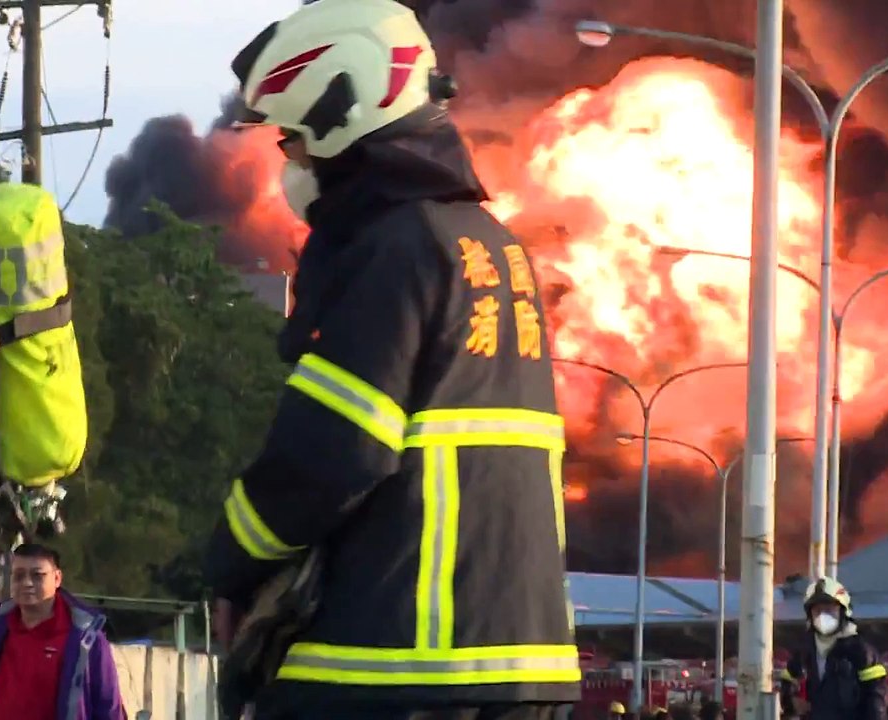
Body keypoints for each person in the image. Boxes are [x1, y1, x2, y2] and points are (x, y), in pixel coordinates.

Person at [206, 0, 579, 718]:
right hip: (522, 665)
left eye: (294, 139)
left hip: (396, 664)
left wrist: (232, 560)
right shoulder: (494, 245)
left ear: (341, 108)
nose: (292, 161)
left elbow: (335, 452)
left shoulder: (396, 247)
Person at [0, 543, 125, 719]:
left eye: (37, 576)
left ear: (57, 578)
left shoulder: (86, 638)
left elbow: (108, 707)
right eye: (19, 576)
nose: (27, 583)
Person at [778, 578, 887, 720]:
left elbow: (876, 699)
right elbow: (787, 681)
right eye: (817, 610)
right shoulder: (805, 649)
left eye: (829, 610)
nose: (823, 616)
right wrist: (791, 702)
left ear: (843, 612)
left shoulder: (862, 652)